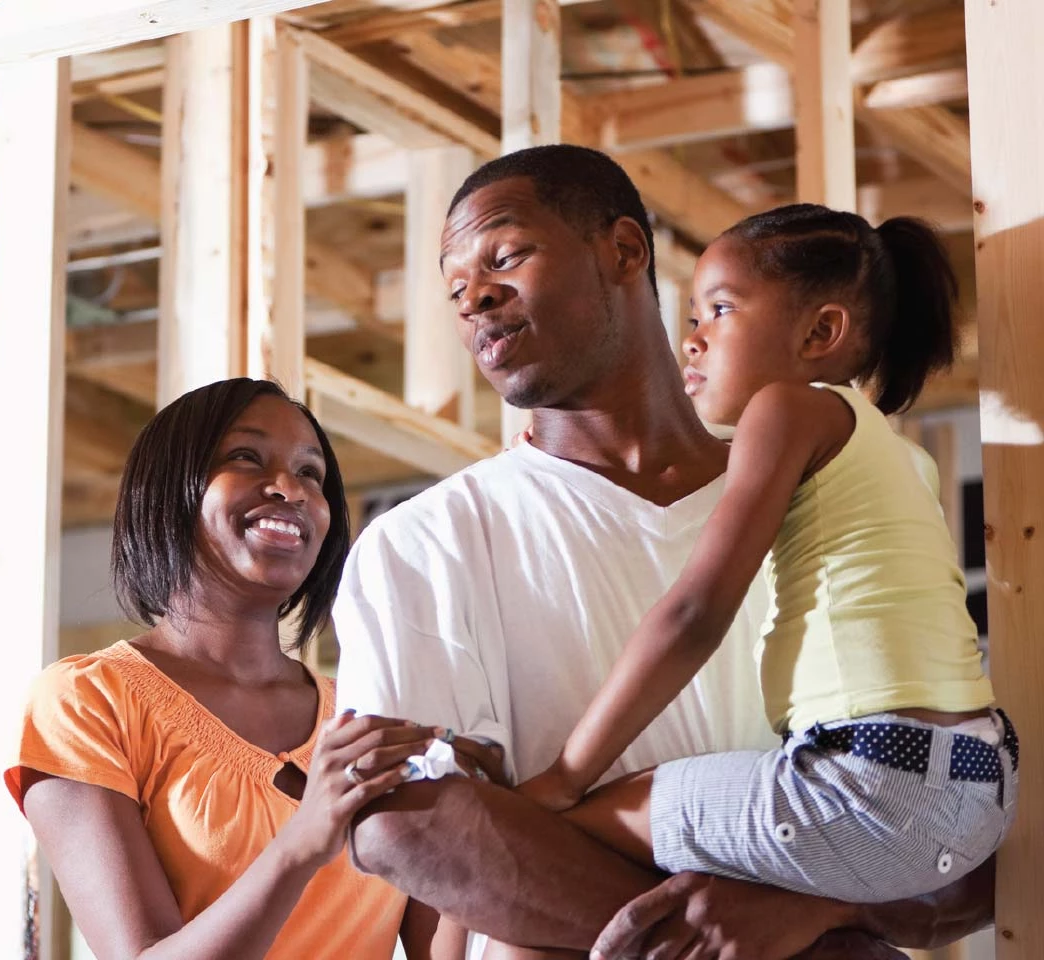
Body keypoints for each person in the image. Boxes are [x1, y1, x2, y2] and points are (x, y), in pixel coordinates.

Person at [330, 145, 995, 956]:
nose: (474, 297)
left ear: (623, 251)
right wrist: (739, 941)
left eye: (504, 256)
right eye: (455, 286)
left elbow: (967, 832)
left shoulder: (820, 497)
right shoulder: (419, 546)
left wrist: (817, 915)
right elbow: (411, 834)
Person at [514, 203, 1018, 907]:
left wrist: (564, 777)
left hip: (872, 785)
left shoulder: (787, 410)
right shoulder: (899, 456)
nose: (692, 340)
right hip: (981, 788)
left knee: (545, 831)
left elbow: (695, 612)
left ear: (820, 332)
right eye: (692, 316)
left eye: (719, 309)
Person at [6, 378, 470, 959]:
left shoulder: (366, 711)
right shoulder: (88, 701)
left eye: (310, 474)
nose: (290, 489)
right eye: (246, 457)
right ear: (168, 490)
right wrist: (303, 841)